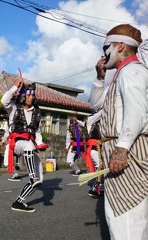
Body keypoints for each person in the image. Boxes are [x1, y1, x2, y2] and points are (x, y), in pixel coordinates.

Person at [89, 24, 148, 239]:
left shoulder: (132, 71)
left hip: (128, 154)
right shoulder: (120, 75)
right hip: (120, 154)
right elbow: (95, 106)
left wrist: (121, 149)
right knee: (120, 216)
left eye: (106, 47)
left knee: (127, 220)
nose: (103, 54)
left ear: (120, 46)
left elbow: (137, 112)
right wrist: (99, 77)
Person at [1, 76, 45, 213]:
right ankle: (31, 177)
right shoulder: (14, 108)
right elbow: (4, 101)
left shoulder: (37, 113)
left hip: (30, 145)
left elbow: (37, 132)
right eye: (28, 95)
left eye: (33, 95)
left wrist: (40, 143)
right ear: (23, 96)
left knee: (40, 179)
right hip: (16, 143)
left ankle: (18, 201)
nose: (31, 98)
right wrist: (16, 86)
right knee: (28, 146)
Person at [85, 112, 104, 197]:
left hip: (101, 148)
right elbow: (101, 113)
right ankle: (96, 188)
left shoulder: (101, 122)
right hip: (94, 149)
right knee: (100, 168)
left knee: (101, 168)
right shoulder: (90, 120)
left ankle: (100, 187)